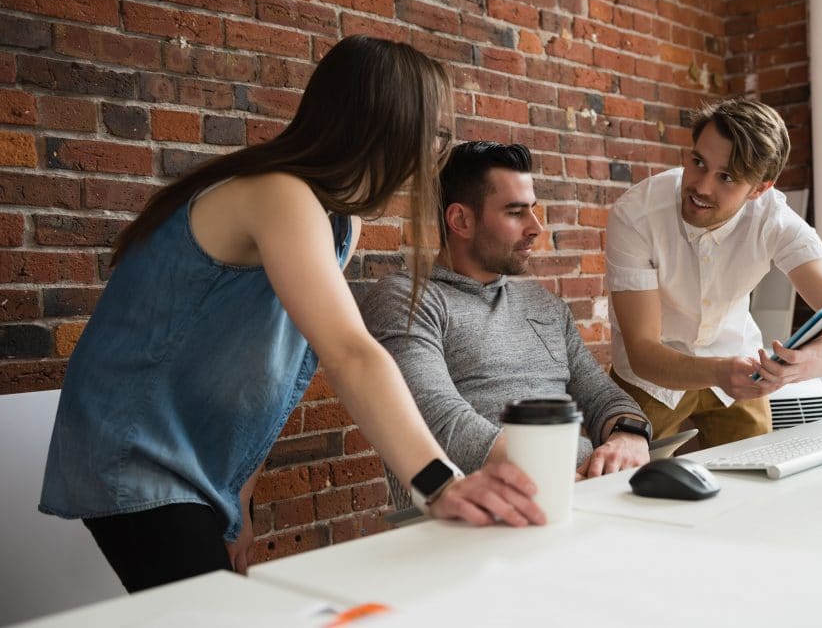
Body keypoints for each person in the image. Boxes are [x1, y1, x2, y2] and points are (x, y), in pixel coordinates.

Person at [38, 36, 544, 594]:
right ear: (384, 123)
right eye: (436, 134)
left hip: (197, 465)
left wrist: (240, 496)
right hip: (130, 448)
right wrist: (440, 482)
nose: (438, 154)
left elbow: (275, 371)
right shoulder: (278, 194)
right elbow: (350, 351)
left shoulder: (341, 224)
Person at [362, 141, 652, 510]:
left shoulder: (544, 306)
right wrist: (554, 474)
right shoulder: (408, 298)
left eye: (533, 209)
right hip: (478, 512)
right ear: (460, 220)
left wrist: (630, 435)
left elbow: (602, 396)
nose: (536, 227)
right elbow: (436, 417)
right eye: (516, 212)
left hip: (583, 493)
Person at [606, 98, 822, 447]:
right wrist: (718, 371)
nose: (702, 187)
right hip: (652, 378)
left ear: (761, 188)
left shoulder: (776, 223)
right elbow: (642, 352)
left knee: (758, 482)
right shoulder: (635, 215)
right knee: (622, 484)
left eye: (727, 177)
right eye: (698, 162)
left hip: (739, 373)